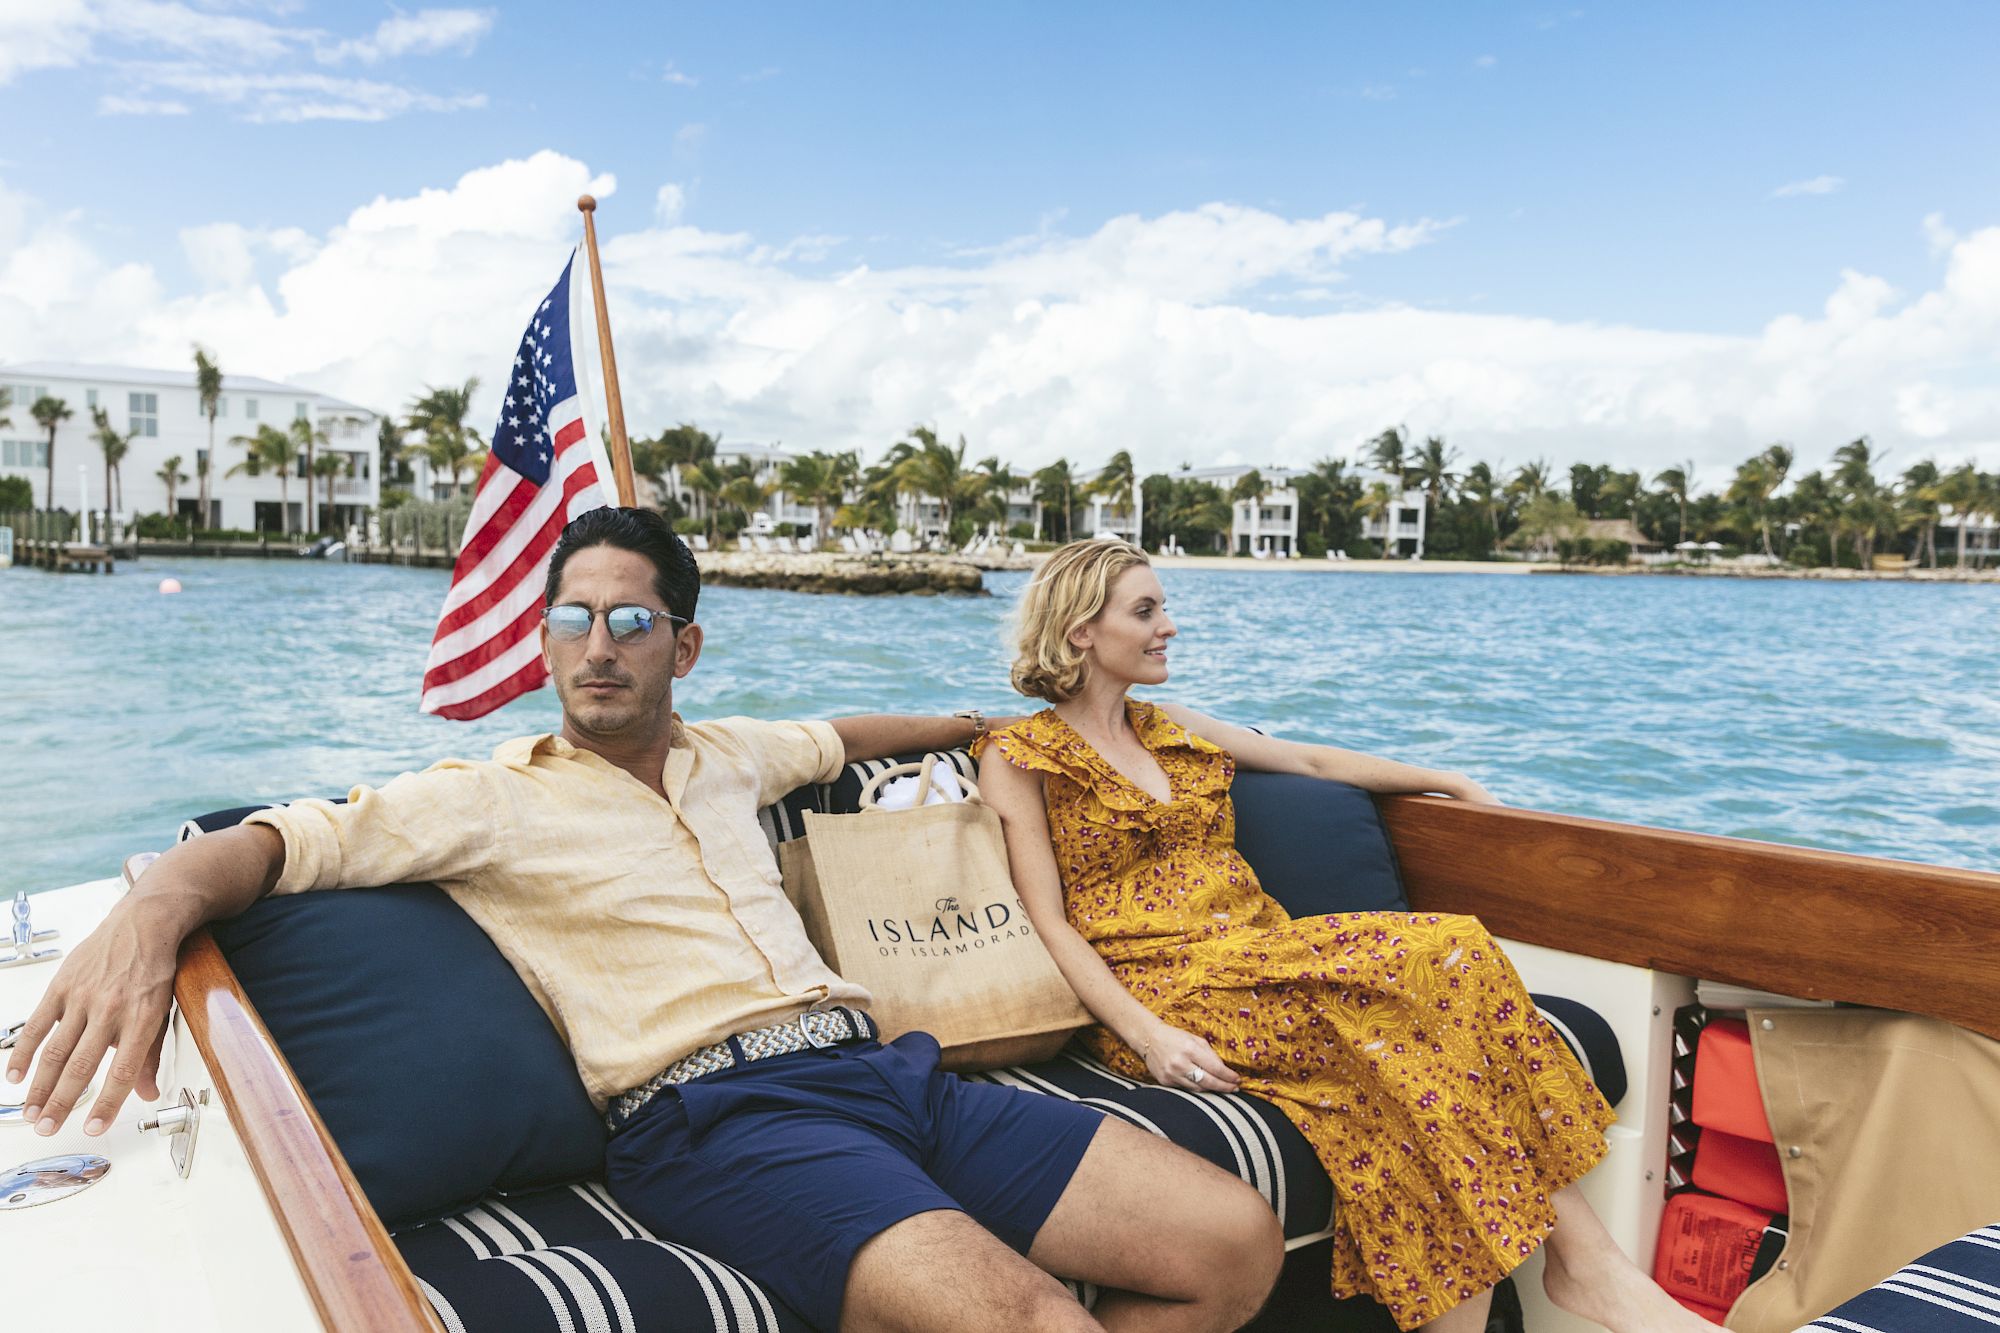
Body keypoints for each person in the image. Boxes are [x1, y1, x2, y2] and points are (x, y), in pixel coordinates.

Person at [6, 509, 1283, 1333]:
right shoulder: (485, 801)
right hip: (715, 1120)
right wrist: (151, 907)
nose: (597, 646)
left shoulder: (732, 754)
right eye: (572, 619)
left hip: (889, 1074)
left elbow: (847, 735)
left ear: (684, 642)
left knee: (1232, 1243)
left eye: (630, 622)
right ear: (544, 639)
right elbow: (280, 842)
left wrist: (981, 725)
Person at [975, 538, 1713, 1333]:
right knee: (1420, 990)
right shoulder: (1018, 757)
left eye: (1164, 608)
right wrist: (1149, 1035)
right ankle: (1585, 1267)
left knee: (1442, 974)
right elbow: (1045, 921)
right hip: (1163, 988)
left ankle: (1564, 1273)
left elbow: (1309, 762)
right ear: (1081, 629)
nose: (1171, 627)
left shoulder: (1168, 726)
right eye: (1147, 610)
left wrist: (1444, 777)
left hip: (1261, 952)